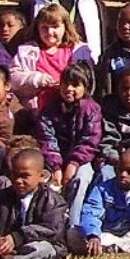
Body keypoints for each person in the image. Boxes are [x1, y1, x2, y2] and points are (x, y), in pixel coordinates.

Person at [0, 148, 68, 259]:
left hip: (32, 245)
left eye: (25, 176)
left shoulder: (53, 201)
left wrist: (17, 237)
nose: (18, 181)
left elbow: (51, 229)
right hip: (4, 248)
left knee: (42, 249)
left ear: (41, 176)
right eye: (14, 175)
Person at [35, 62, 102, 226]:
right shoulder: (50, 109)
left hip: (83, 161)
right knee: (44, 183)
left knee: (80, 179)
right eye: (65, 84)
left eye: (75, 85)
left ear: (86, 87)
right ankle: (49, 226)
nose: (69, 89)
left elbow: (90, 139)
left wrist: (74, 163)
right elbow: (46, 138)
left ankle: (74, 225)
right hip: (53, 161)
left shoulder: (92, 110)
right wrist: (56, 166)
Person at [11, 3, 95, 112]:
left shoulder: (79, 51)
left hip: (72, 110)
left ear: (65, 26)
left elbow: (88, 81)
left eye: (55, 27)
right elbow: (13, 79)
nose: (50, 32)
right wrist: (36, 79)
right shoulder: (27, 51)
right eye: (45, 28)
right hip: (39, 111)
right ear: (37, 28)